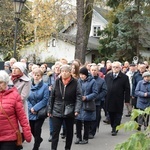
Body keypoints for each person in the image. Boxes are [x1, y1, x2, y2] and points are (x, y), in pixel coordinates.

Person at [48, 64, 82, 150]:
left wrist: (77, 109)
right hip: (57, 109)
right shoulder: (57, 81)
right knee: (55, 133)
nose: (64, 73)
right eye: (62, 71)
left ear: (70, 72)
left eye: (66, 71)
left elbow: (78, 97)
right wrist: (49, 109)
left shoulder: (75, 82)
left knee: (69, 132)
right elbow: (52, 96)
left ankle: (67, 148)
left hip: (70, 109)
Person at [0, 70, 32, 150]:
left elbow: (22, 117)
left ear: (6, 82)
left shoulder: (14, 95)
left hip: (9, 137)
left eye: (1, 82)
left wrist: (27, 133)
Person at [105, 61, 130, 136]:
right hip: (109, 98)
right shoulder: (107, 76)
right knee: (110, 114)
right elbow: (105, 87)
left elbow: (127, 89)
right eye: (113, 67)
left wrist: (127, 100)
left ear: (120, 68)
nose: (115, 68)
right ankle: (113, 125)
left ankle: (115, 128)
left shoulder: (124, 77)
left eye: (117, 67)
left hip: (118, 99)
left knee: (118, 114)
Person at [27, 68, 49, 150]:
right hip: (30, 111)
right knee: (31, 129)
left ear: (41, 76)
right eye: (35, 75)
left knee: (37, 128)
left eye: (38, 75)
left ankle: (36, 146)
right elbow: (26, 98)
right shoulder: (29, 85)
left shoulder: (45, 86)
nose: (36, 77)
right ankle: (38, 139)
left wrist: (35, 108)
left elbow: (45, 99)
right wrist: (31, 108)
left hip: (40, 111)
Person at [75, 67, 98, 144]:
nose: (81, 76)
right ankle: (78, 137)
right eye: (80, 74)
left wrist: (87, 97)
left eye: (83, 75)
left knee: (87, 122)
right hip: (79, 104)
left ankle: (85, 138)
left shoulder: (93, 81)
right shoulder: (78, 81)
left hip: (88, 104)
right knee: (78, 121)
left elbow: (95, 93)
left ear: (86, 74)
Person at [89, 65, 107, 139]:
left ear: (98, 71)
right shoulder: (87, 79)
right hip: (88, 101)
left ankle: (92, 132)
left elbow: (105, 91)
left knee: (96, 117)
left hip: (97, 102)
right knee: (88, 117)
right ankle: (88, 130)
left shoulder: (101, 80)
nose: (93, 71)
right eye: (92, 70)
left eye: (95, 70)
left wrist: (97, 97)